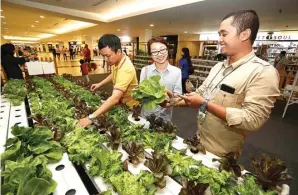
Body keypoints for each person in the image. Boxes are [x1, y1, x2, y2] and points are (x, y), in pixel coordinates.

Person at [168, 10, 280, 156]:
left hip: (222, 154)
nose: (219, 39)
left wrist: (205, 104)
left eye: (224, 34)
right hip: (199, 140)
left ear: (244, 34)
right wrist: (173, 101)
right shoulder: (218, 67)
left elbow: (253, 119)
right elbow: (201, 94)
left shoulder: (263, 72)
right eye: (219, 34)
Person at [78, 34, 138, 128]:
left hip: (129, 108)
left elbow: (115, 98)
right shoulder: (118, 60)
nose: (105, 59)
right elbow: (114, 73)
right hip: (122, 105)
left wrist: (91, 118)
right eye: (103, 56)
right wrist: (100, 84)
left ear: (118, 52)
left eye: (107, 56)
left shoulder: (126, 68)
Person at [140, 37, 182, 122]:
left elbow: (177, 98)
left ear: (167, 50)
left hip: (165, 118)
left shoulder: (177, 72)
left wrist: (168, 95)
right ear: (151, 54)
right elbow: (141, 94)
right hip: (146, 117)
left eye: (162, 50)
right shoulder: (145, 70)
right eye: (154, 52)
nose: (159, 54)